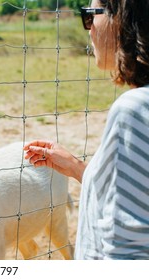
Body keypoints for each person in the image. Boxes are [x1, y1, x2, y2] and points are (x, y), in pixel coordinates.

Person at [23, 0, 149, 259]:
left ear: (121, 19)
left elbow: (130, 254)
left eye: (91, 15)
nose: (88, 27)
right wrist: (78, 168)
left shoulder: (135, 111)